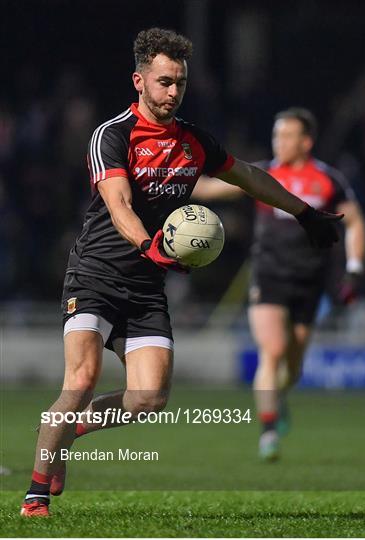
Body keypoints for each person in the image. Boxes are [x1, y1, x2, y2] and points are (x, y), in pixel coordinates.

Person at [21, 30, 343, 517]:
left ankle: (66, 431)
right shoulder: (113, 135)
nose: (174, 92)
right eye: (165, 82)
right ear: (140, 81)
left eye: (181, 84)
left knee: (149, 399)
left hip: (147, 285)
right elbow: (119, 203)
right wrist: (147, 245)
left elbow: (249, 175)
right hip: (96, 274)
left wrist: (303, 213)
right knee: (82, 378)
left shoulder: (193, 141)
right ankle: (36, 495)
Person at [193, 107, 365, 460]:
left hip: (309, 280)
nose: (279, 142)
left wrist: (353, 269)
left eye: (287, 136)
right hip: (268, 273)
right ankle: (268, 431)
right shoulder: (265, 174)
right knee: (271, 351)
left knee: (294, 365)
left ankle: (278, 399)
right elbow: (209, 189)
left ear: (306, 141)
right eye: (276, 135)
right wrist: (170, 177)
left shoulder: (328, 180)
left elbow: (356, 223)